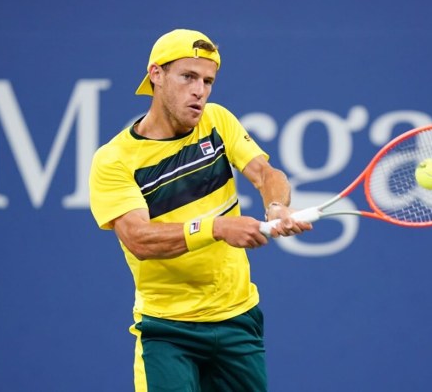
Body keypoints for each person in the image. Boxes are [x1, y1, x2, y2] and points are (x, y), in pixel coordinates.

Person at [88, 29, 311, 392]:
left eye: (208, 81)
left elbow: (266, 173)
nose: (200, 91)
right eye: (188, 77)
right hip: (168, 329)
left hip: (238, 319)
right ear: (155, 75)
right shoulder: (114, 160)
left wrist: (276, 205)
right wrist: (217, 228)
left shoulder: (217, 121)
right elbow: (139, 239)